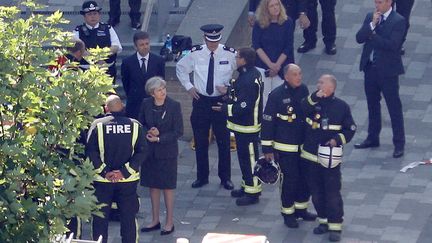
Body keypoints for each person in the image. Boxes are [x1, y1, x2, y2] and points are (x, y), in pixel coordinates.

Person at [176, 24, 236, 190]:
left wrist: (231, 89)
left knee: (223, 141)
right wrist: (189, 86)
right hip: (201, 101)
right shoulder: (195, 53)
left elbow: (243, 72)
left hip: (220, 101)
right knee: (200, 141)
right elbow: (180, 68)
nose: (213, 44)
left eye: (216, 41)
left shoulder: (230, 54)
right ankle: (202, 177)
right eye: (210, 41)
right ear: (204, 39)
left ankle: (225, 178)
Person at [301, 75, 356, 242]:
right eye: (318, 82)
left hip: (330, 160)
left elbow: (350, 129)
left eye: (321, 82)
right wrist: (313, 98)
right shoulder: (312, 103)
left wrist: (337, 140)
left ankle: (335, 227)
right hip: (311, 158)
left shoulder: (341, 107)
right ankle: (323, 221)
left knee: (332, 193)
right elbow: (301, 109)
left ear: (331, 87)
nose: (318, 85)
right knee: (317, 194)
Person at [261, 64, 316, 228]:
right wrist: (267, 149)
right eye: (294, 74)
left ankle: (301, 209)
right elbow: (268, 121)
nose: (299, 77)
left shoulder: (304, 90)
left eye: (300, 73)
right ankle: (288, 213)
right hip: (285, 148)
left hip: (302, 146)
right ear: (286, 77)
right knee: (290, 180)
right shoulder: (276, 95)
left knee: (304, 179)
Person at [86, 95, 146, 243]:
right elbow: (142, 151)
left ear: (106, 108)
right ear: (122, 107)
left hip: (102, 181)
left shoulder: (97, 125)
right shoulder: (135, 125)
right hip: (128, 182)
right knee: (128, 219)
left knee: (100, 219)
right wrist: (124, 172)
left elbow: (90, 152)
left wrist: (105, 172)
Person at [355, 0, 406, 158]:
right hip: (370, 68)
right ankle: (373, 137)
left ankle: (399, 143)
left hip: (388, 72)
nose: (377, 5)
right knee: (372, 104)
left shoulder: (398, 20)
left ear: (389, 2)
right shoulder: (371, 17)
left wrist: (373, 35)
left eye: (380, 2)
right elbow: (359, 38)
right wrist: (371, 26)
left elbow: (392, 45)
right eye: (376, 2)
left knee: (394, 107)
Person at [212, 47, 263, 206]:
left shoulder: (248, 78)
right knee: (244, 159)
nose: (235, 60)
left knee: (250, 159)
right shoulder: (248, 74)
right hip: (242, 127)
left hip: (248, 127)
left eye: (237, 57)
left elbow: (244, 105)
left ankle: (253, 192)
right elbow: (239, 94)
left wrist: (224, 109)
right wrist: (228, 93)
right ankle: (246, 185)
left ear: (244, 60)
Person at [138, 77, 183, 235]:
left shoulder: (174, 106)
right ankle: (155, 220)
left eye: (163, 88)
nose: (163, 91)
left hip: (167, 153)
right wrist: (148, 132)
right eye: (159, 89)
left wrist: (159, 137)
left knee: (168, 187)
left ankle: (169, 222)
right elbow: (140, 123)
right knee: (153, 186)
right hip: (150, 153)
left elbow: (178, 131)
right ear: (152, 93)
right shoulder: (146, 104)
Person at [252, 0, 295, 106]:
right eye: (272, 6)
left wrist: (277, 66)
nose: (275, 8)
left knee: (281, 97)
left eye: (277, 5)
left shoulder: (288, 22)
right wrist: (270, 65)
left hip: (282, 66)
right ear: (266, 9)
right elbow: (257, 46)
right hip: (263, 65)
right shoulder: (259, 23)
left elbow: (288, 46)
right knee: (263, 97)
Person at [73, 1, 123, 82]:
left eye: (95, 13)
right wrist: (96, 60)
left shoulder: (108, 28)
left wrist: (102, 56)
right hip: (86, 73)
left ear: (99, 15)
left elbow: (116, 47)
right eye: (89, 14)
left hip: (106, 71)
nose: (93, 17)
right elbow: (78, 50)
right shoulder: (78, 31)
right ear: (84, 17)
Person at [121, 31, 165, 120]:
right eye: (141, 45)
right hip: (135, 103)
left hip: (153, 102)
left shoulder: (158, 60)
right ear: (135, 46)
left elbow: (161, 80)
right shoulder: (127, 62)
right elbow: (126, 82)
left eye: (147, 44)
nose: (145, 47)